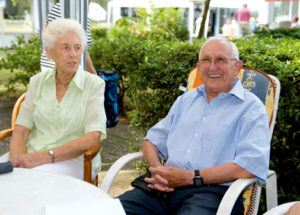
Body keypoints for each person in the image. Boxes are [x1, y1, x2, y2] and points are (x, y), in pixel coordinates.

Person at [118, 36, 270, 215]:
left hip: (213, 194)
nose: (212, 67)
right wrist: (158, 171)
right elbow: (151, 141)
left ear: (236, 66)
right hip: (162, 190)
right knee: (106, 211)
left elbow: (250, 166)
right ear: (199, 68)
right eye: (206, 60)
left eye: (220, 60)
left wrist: (191, 178)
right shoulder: (185, 101)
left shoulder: (250, 108)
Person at [0, 18, 106, 179]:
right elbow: (21, 131)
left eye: (77, 48)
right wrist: (17, 162)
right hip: (30, 156)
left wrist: (41, 157)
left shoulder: (94, 85)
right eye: (66, 48)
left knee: (32, 181)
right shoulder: (37, 82)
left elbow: (92, 139)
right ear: (49, 52)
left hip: (74, 161)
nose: (73, 54)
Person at [40, 2, 97, 74]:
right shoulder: (72, 11)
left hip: (50, 63)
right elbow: (83, 51)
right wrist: (94, 74)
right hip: (57, 65)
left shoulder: (59, 7)